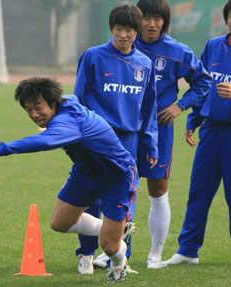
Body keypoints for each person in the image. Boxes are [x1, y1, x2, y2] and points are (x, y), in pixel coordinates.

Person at [0, 77, 139, 282]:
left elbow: (46, 141)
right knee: (60, 223)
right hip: (85, 174)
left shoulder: (68, 120)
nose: (34, 114)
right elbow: (72, 97)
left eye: (38, 107)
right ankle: (119, 228)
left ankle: (118, 263)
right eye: (28, 109)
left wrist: (1, 149)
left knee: (110, 246)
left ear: (53, 102)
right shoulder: (65, 102)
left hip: (116, 176)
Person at [165, 0, 231, 268]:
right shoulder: (213, 46)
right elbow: (203, 84)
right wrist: (193, 120)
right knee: (199, 192)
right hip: (210, 132)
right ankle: (188, 251)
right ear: (226, 19)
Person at [73, 2, 158, 274]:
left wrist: (151, 144)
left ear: (138, 32)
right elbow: (79, 98)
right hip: (96, 138)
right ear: (112, 29)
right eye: (119, 29)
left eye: (130, 30)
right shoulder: (94, 56)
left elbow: (149, 109)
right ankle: (86, 255)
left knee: (123, 203)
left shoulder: (144, 64)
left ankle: (118, 258)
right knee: (92, 199)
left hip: (129, 142)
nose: (124, 35)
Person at [134, 0, 212, 269]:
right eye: (146, 18)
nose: (151, 24)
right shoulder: (126, 46)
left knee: (157, 191)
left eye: (157, 19)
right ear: (137, 18)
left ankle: (155, 255)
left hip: (159, 131)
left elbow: (204, 81)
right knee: (119, 188)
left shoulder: (176, 51)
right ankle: (117, 250)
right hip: (125, 130)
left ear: (165, 21)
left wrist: (181, 105)